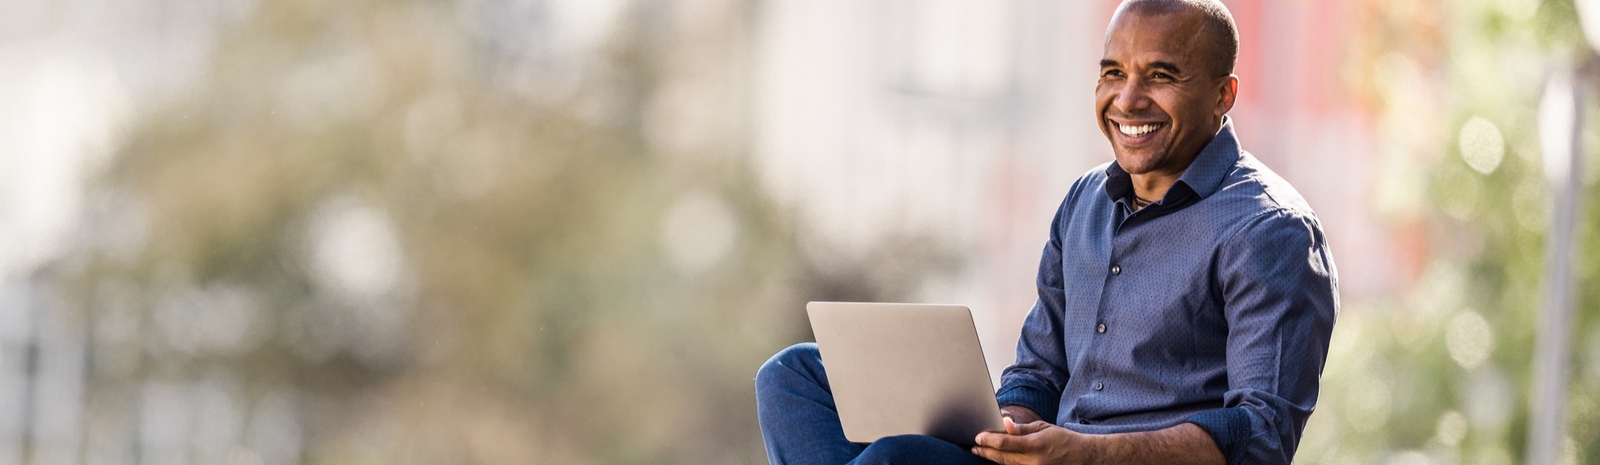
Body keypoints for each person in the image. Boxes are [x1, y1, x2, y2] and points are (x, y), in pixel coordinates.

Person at [754, 0, 1338, 463]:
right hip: (1047, 456)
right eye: (1113, 72)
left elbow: (1261, 435)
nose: (1128, 99)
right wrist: (1009, 422)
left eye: (1160, 76)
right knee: (793, 377)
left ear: (1222, 94)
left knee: (895, 460)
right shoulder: (1085, 201)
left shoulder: (1271, 231)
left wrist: (1086, 455)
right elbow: (1038, 374)